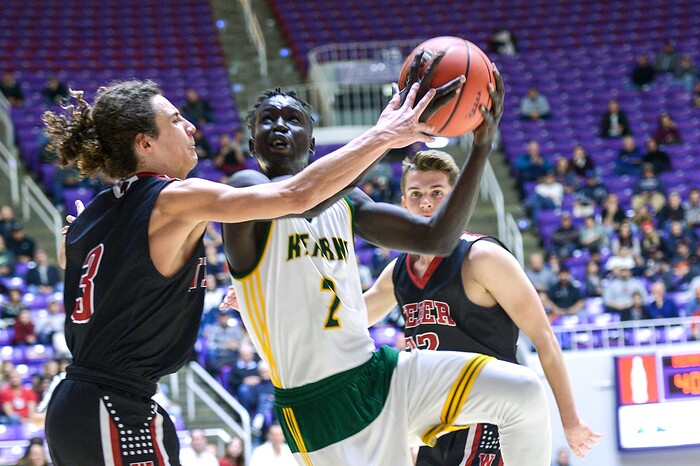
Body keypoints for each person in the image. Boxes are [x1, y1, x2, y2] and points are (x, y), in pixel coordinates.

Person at [40, 74, 442, 466]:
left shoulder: (95, 213)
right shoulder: (174, 197)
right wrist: (384, 134)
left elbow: (68, 254)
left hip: (91, 405)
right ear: (145, 143)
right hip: (111, 405)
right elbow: (296, 195)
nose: (191, 126)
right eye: (177, 120)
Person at [222, 62, 593, 465]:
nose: (279, 125)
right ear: (253, 144)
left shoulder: (348, 203)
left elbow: (437, 237)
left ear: (312, 144)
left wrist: (481, 148)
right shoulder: (243, 192)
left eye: (292, 119)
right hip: (319, 408)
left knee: (523, 393)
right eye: (267, 120)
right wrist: (383, 137)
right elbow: (298, 196)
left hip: (377, 373)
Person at [361, 150, 599, 464]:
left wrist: (570, 421)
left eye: (437, 193)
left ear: (456, 199)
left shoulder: (482, 257)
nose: (426, 203)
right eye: (416, 194)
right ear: (403, 204)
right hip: (435, 425)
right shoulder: (397, 272)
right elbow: (349, 322)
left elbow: (545, 341)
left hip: (488, 418)